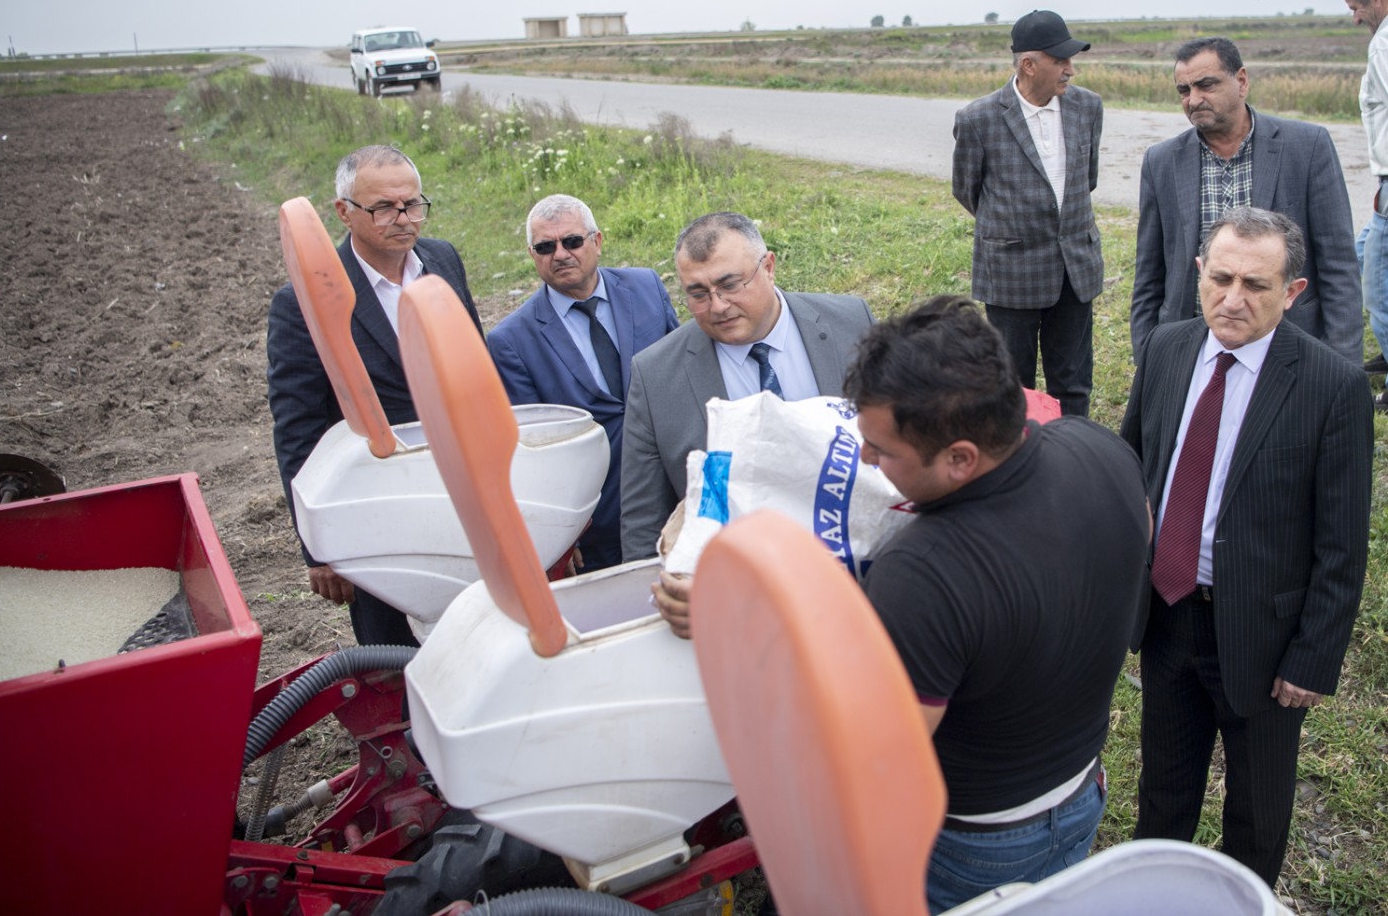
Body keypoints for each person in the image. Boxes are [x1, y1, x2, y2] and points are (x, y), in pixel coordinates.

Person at [846, 296, 1149, 912]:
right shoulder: (1099, 446)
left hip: (973, 844)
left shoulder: (923, 574)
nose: (866, 459)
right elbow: (1137, 534)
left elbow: (884, 758)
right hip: (1081, 789)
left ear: (961, 458)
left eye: (883, 449)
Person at [1120, 207, 1371, 887]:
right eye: (1221, 278)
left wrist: (1313, 656)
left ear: (1293, 292)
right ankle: (1153, 894)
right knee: (1163, 792)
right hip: (1170, 614)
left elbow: (1342, 543)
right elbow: (1132, 466)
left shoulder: (1331, 386)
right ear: (1199, 272)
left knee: (1257, 811)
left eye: (1256, 285)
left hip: (1265, 637)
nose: (1233, 299)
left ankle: (1243, 898)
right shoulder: (1169, 349)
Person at [267, 145, 484, 646]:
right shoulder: (305, 304)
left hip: (463, 488)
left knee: (476, 624)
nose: (403, 219)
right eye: (383, 207)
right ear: (343, 211)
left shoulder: (442, 260)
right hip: (378, 508)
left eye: (412, 204)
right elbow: (298, 430)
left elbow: (477, 366)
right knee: (396, 646)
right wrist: (320, 547)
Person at [619, 211, 874, 566]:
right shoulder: (655, 376)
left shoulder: (852, 324)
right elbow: (642, 524)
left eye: (730, 285)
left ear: (769, 267)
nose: (718, 306)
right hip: (738, 586)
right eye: (698, 294)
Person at [1130, 37, 1360, 367]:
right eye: (1184, 90)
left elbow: (1338, 266)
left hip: (1285, 342)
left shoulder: (1307, 147)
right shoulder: (1161, 161)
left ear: (1241, 81)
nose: (1194, 99)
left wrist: (1342, 366)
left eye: (1205, 85)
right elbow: (1149, 276)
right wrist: (1148, 357)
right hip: (1193, 345)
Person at [486, 194, 679, 571]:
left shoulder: (646, 288)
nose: (560, 254)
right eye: (545, 247)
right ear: (532, 255)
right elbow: (532, 450)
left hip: (676, 491)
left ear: (597, 242)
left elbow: (683, 374)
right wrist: (559, 533)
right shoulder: (512, 341)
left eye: (572, 241)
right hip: (599, 523)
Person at [952, 9, 1103, 418]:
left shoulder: (1088, 108)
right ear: (1029, 65)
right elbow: (967, 190)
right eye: (1061, 60)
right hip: (1011, 275)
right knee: (1013, 386)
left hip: (1075, 269)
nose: (1070, 69)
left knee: (1073, 383)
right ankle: (1019, 469)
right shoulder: (978, 119)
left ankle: (1071, 459)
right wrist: (1013, 229)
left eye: (1072, 59)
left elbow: (1084, 181)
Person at [1345, 0, 1388, 403]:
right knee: (1354, 254)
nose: (1354, 18)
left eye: (1355, 8)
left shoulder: (1383, 44)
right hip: (1384, 186)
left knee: (1378, 289)